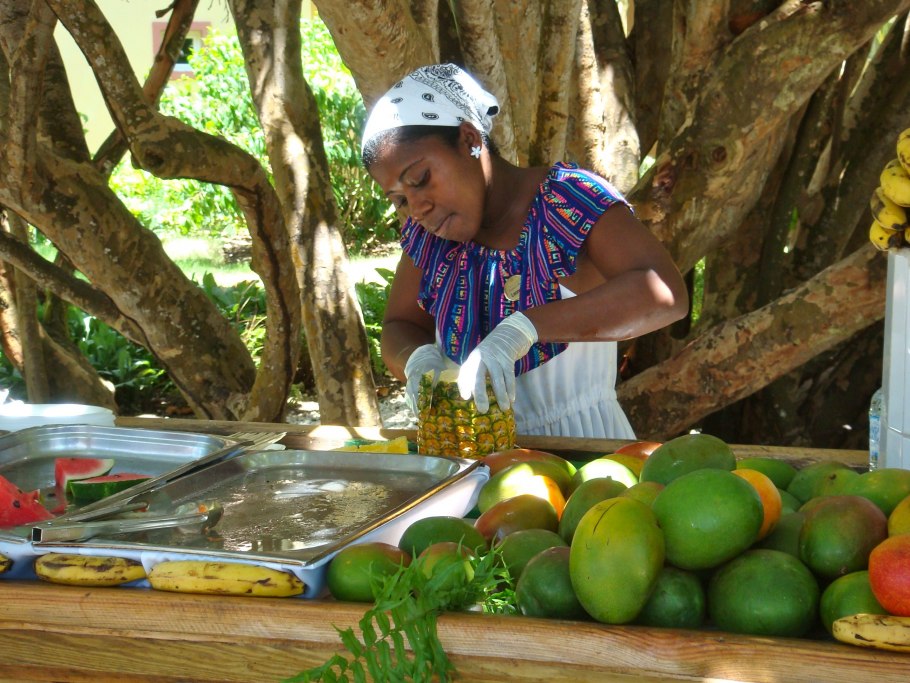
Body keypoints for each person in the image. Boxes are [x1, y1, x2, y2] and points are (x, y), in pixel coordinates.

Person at [361, 63, 688, 439]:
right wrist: (416, 359)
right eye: (400, 199)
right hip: (468, 458)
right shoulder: (433, 240)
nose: (417, 207)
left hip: (578, 458)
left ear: (469, 140)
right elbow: (398, 327)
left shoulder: (566, 202)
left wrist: (525, 329)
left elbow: (665, 294)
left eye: (421, 180)